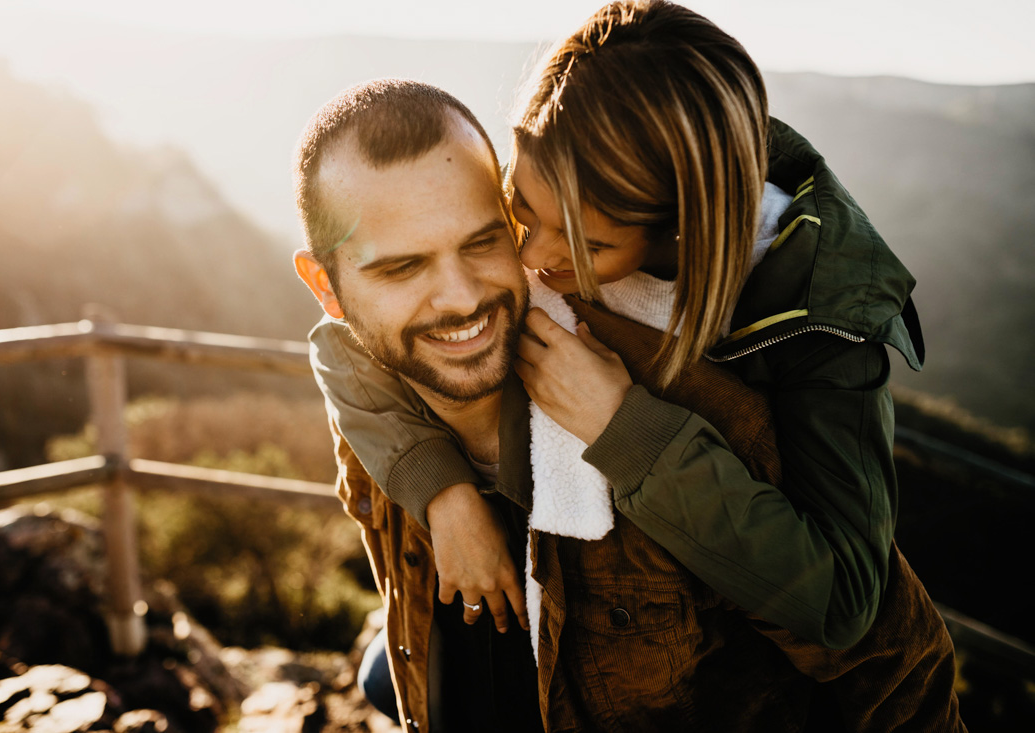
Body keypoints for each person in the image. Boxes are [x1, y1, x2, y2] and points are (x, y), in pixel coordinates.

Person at [293, 77, 963, 731]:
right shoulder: (372, 385)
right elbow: (333, 352)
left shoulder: (676, 412)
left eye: (483, 239)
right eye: (400, 268)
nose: (462, 297)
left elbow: (893, 664)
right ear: (330, 288)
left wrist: (626, 433)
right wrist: (443, 492)